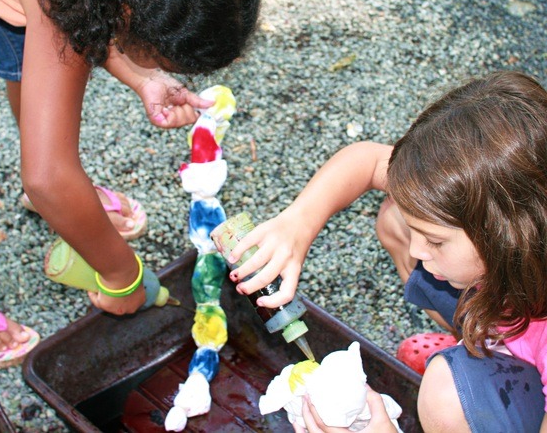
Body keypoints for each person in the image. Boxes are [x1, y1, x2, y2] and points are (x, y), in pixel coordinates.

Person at [0, 0, 261, 367]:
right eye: (163, 60)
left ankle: (72, 206)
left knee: (29, 54)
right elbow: (45, 176)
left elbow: (77, 7)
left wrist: (143, 77)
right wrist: (121, 276)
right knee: (55, 179)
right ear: (125, 14)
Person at [226, 71, 547, 432]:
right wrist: (298, 224)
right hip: (508, 300)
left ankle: (480, 386)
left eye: (436, 241)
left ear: (510, 236)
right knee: (396, 218)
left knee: (444, 393)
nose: (416, 248)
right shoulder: (505, 219)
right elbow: (367, 160)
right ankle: (482, 348)